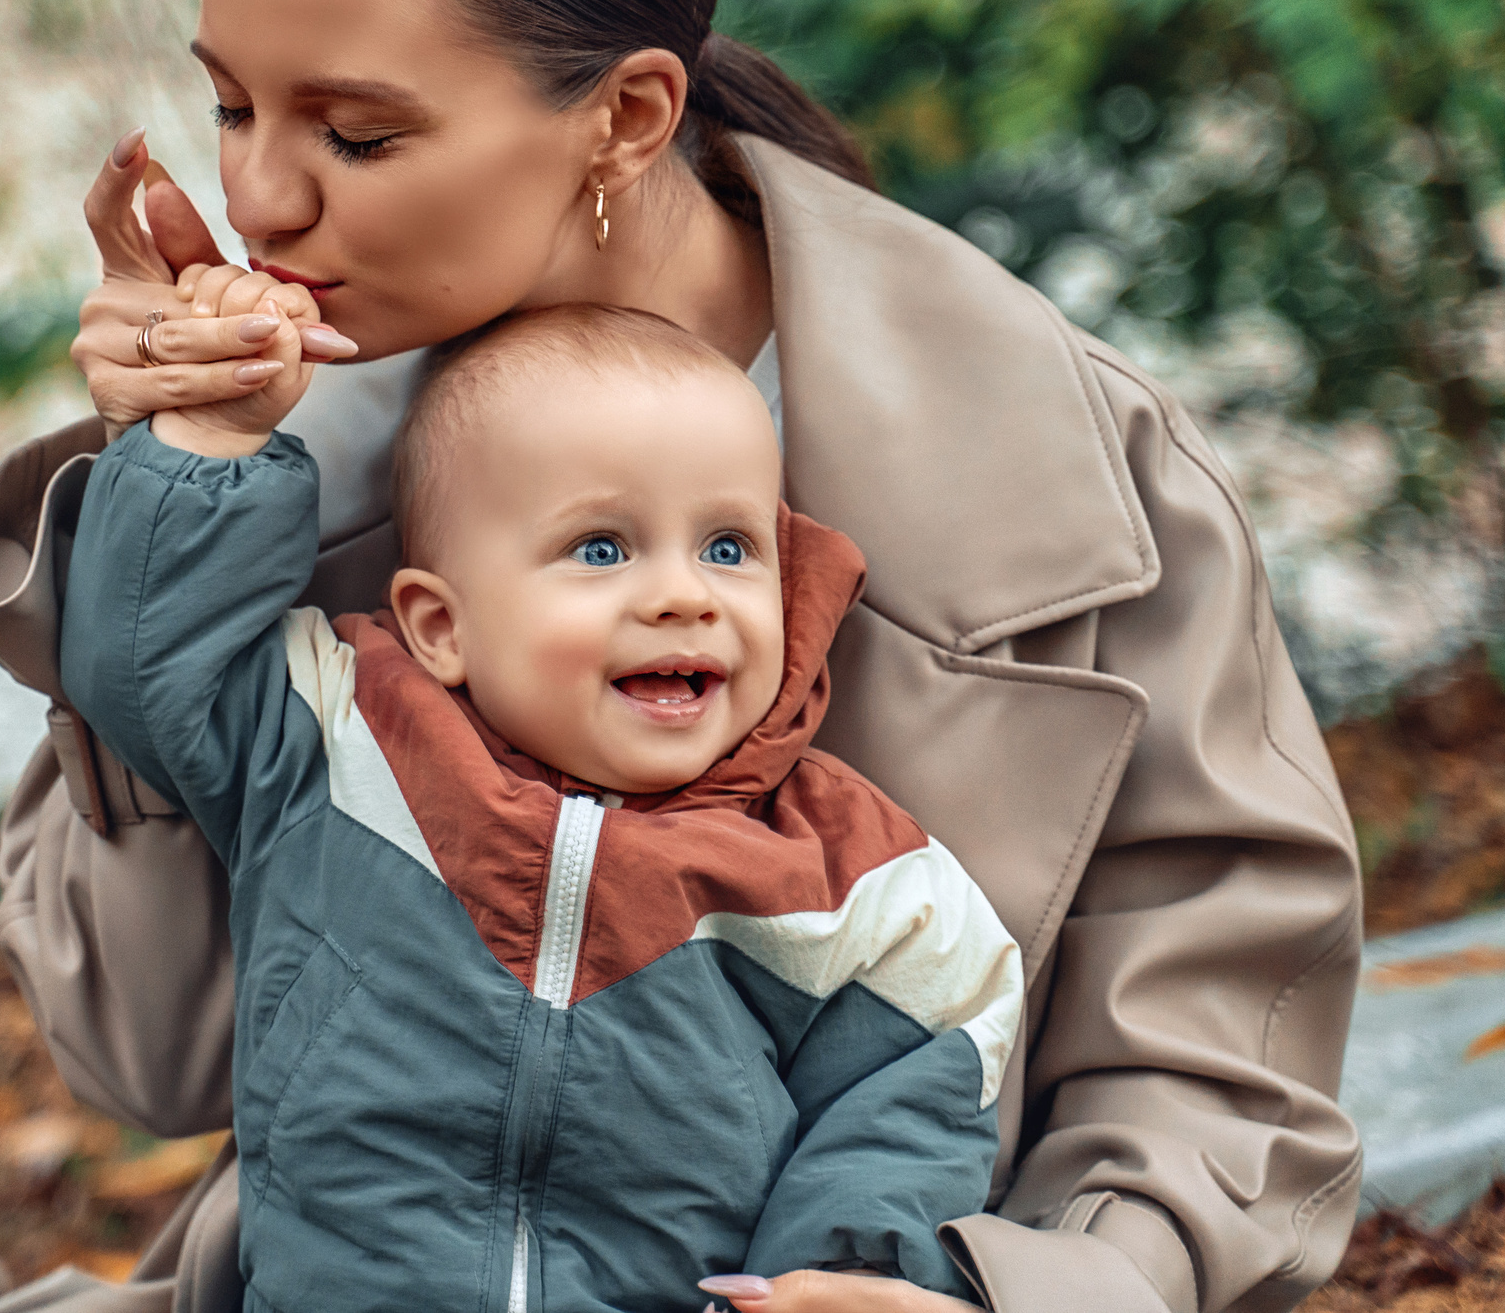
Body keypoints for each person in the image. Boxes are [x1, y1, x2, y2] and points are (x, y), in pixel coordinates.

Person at [0, 0, 1362, 1313]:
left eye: (356, 131)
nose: (264, 202)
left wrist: (1000, 1299)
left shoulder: (1076, 467)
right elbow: (148, 1053)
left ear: (625, 116)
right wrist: (170, 488)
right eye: (231, 108)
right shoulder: (303, 472)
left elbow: (1227, 1079)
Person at [56, 299, 1025, 1311]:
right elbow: (147, 667)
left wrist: (840, 1272)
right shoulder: (339, 737)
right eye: (603, 549)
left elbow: (911, 1081)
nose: (684, 595)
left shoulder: (841, 869)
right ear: (441, 626)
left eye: (729, 547)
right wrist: (210, 441)